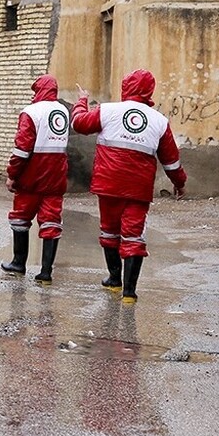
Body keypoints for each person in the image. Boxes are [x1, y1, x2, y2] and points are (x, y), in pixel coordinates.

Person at [72, 69, 187, 303]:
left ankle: (114, 279)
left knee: (109, 230)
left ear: (126, 87)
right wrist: (180, 183)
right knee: (134, 236)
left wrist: (82, 101)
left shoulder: (108, 110)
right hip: (138, 189)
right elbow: (171, 160)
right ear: (149, 90)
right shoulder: (159, 121)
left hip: (108, 183)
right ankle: (129, 293)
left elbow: (79, 124)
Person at [1, 74, 70, 285]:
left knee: (20, 218)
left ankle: (18, 263)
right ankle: (46, 272)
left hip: (31, 176)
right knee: (51, 221)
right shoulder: (63, 112)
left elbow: (22, 149)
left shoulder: (30, 112)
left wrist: (13, 175)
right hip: (56, 176)